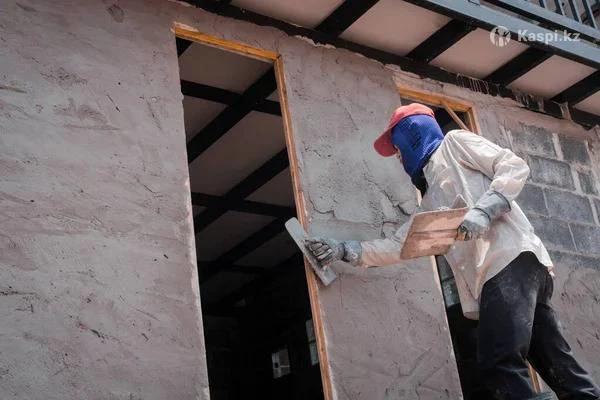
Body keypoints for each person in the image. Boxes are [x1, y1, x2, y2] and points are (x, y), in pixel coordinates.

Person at [306, 103, 600, 400]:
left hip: (507, 261)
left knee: (498, 363)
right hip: (517, 271)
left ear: (412, 136)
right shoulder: (430, 199)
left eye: (397, 149)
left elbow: (513, 165)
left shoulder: (455, 143)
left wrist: (484, 210)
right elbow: (400, 246)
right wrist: (344, 250)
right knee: (558, 365)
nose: (397, 157)